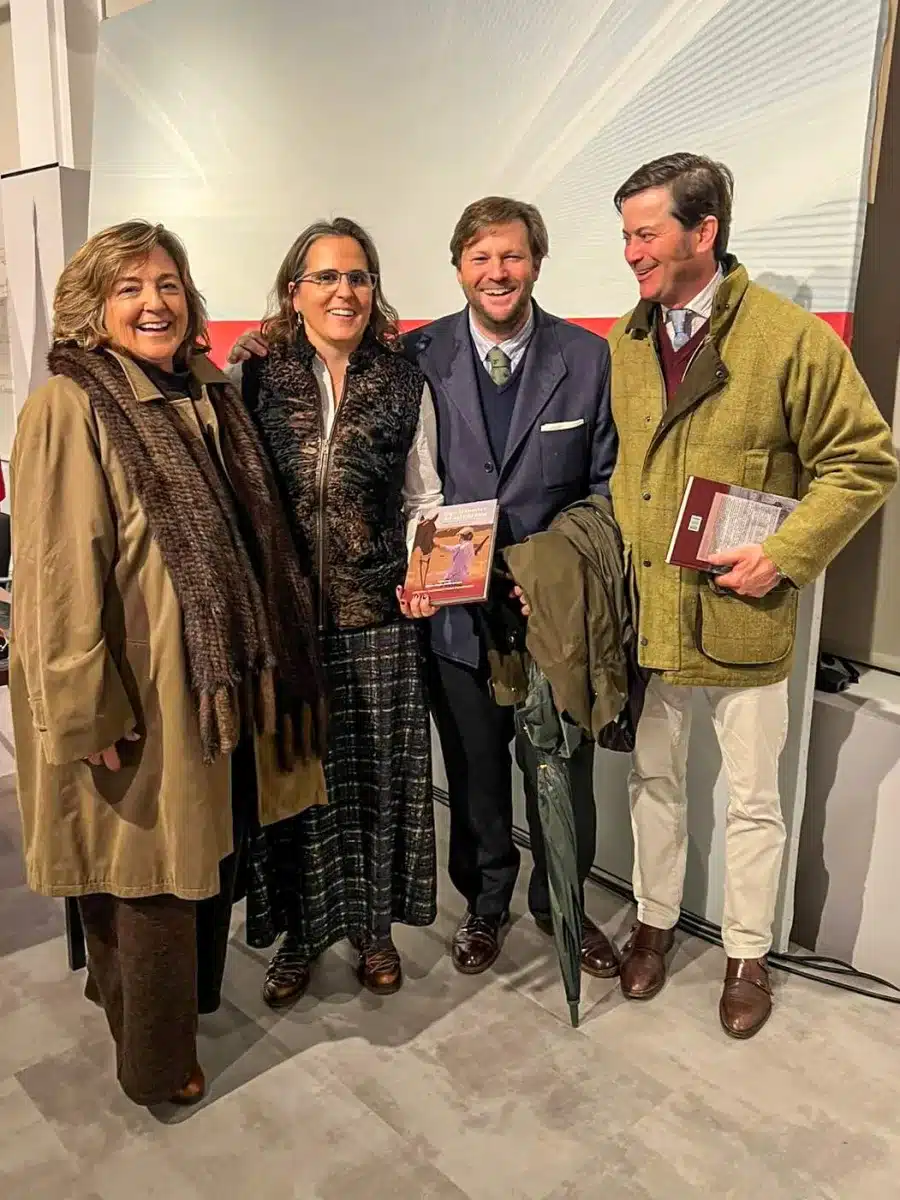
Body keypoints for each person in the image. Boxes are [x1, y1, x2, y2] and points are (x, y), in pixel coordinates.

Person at [9, 220, 327, 1106]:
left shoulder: (201, 389)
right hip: (138, 690)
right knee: (146, 875)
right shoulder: (67, 407)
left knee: (196, 863)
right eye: (129, 289)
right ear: (90, 309)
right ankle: (157, 1064)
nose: (154, 304)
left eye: (168, 285)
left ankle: (169, 1008)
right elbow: (57, 576)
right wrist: (84, 708)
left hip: (206, 686)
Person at [607, 153, 898, 1038]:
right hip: (651, 612)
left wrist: (785, 553)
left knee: (752, 798)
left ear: (705, 232)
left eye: (646, 234)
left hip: (745, 613)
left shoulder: (791, 339)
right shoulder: (628, 339)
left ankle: (747, 953)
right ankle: (654, 924)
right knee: (653, 779)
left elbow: (864, 461)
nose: (630, 254)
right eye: (624, 236)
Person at [399, 197, 619, 978]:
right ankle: (485, 904)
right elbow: (403, 479)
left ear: (537, 262)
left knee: (566, 775)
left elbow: (605, 488)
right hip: (458, 615)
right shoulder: (416, 354)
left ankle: (564, 901)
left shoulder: (589, 359)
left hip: (554, 614)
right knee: (474, 771)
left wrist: (551, 567)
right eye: (481, 258)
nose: (498, 273)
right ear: (458, 266)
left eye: (513, 257)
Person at [226, 218, 441, 1005]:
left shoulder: (404, 381)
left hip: (376, 616)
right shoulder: (255, 378)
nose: (344, 291)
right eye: (327, 277)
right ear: (295, 292)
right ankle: (297, 936)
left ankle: (374, 930)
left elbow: (426, 498)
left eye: (358, 277)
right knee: (295, 787)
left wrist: (423, 574)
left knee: (375, 780)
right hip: (285, 624)